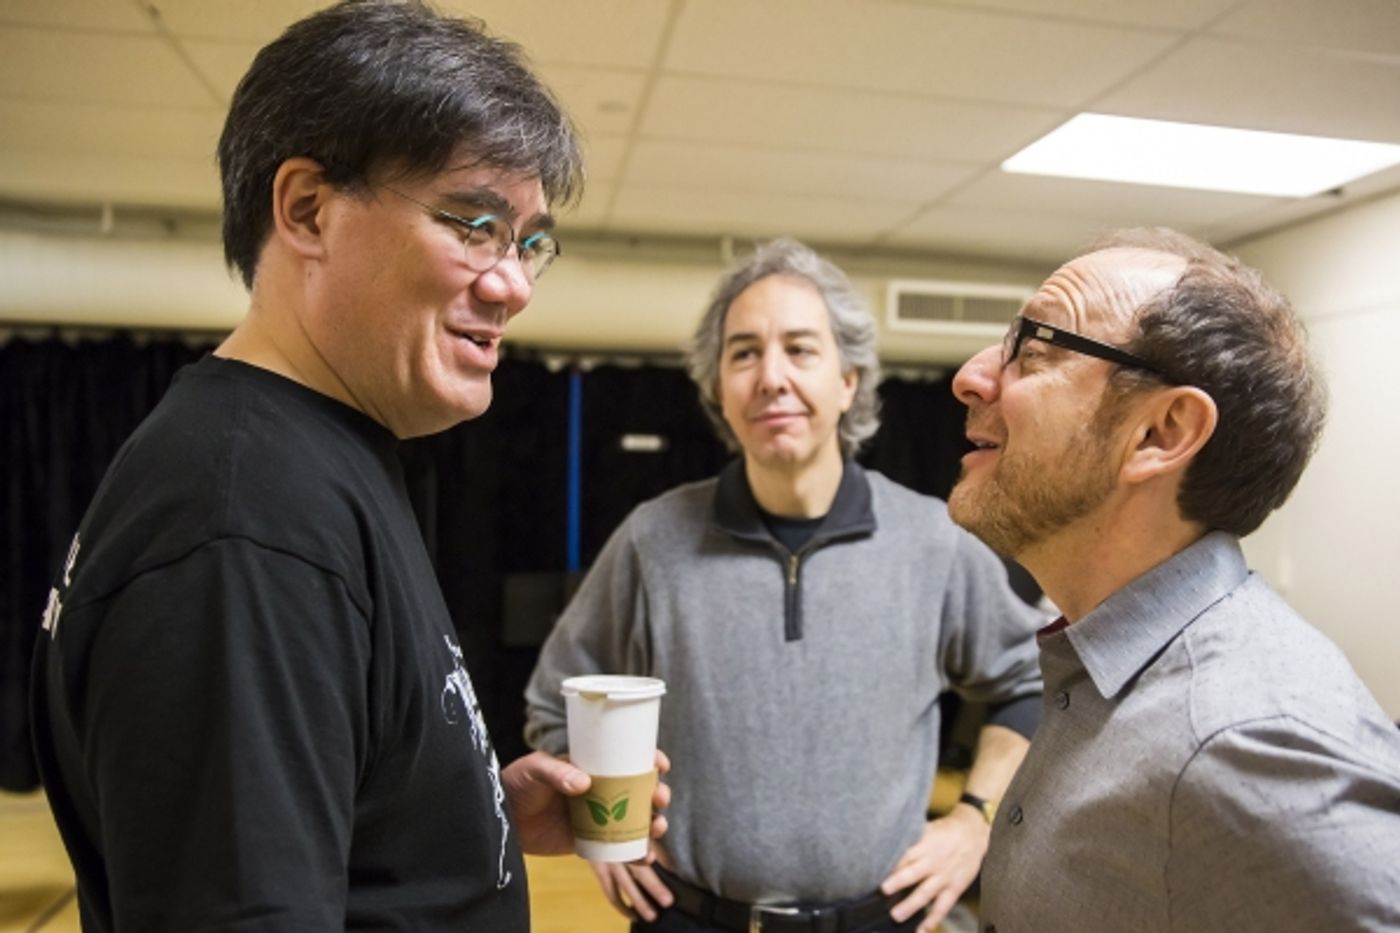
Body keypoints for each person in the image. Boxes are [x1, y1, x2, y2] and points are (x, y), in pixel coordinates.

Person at [29, 3, 666, 930]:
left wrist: (464, 809)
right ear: (308, 210)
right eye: (474, 224)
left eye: (527, 241)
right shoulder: (248, 521)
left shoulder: (315, 458)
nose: (514, 284)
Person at [525, 238, 1045, 933]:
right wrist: (599, 828)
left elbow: (1033, 685)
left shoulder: (934, 540)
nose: (770, 376)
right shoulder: (654, 538)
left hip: (882, 921)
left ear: (848, 380)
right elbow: (559, 702)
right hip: (691, 919)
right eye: (743, 352)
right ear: (718, 388)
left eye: (800, 349)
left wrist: (975, 821)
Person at [947, 227, 1400, 931]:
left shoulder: (1248, 741)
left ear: (1161, 434)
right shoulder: (1103, 670)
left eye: (1033, 350)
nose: (972, 376)